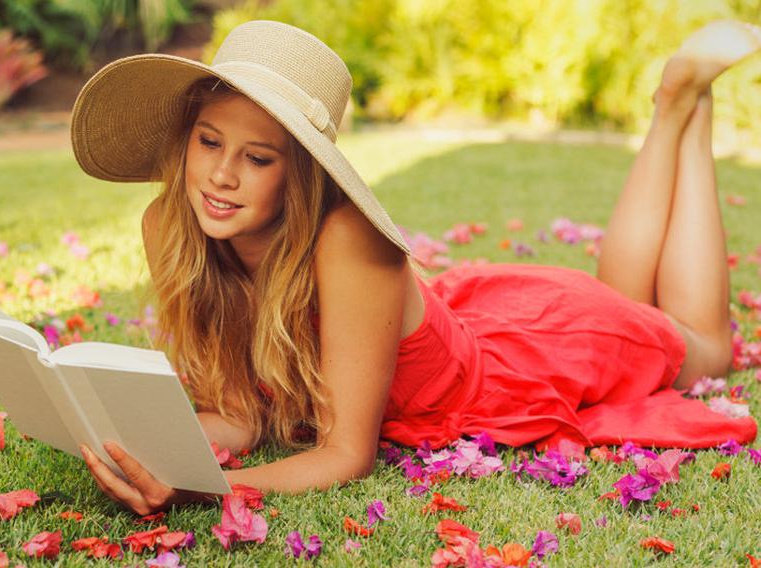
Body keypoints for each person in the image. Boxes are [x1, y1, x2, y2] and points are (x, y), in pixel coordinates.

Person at [69, 20, 760, 514]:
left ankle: (680, 111)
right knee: (626, 299)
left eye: (258, 157)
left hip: (509, 373)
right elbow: (242, 419)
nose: (220, 176)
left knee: (702, 345)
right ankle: (674, 113)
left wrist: (207, 490)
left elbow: (345, 456)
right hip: (474, 316)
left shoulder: (347, 240)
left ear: (302, 173)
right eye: (208, 141)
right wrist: (135, 444)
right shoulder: (170, 225)